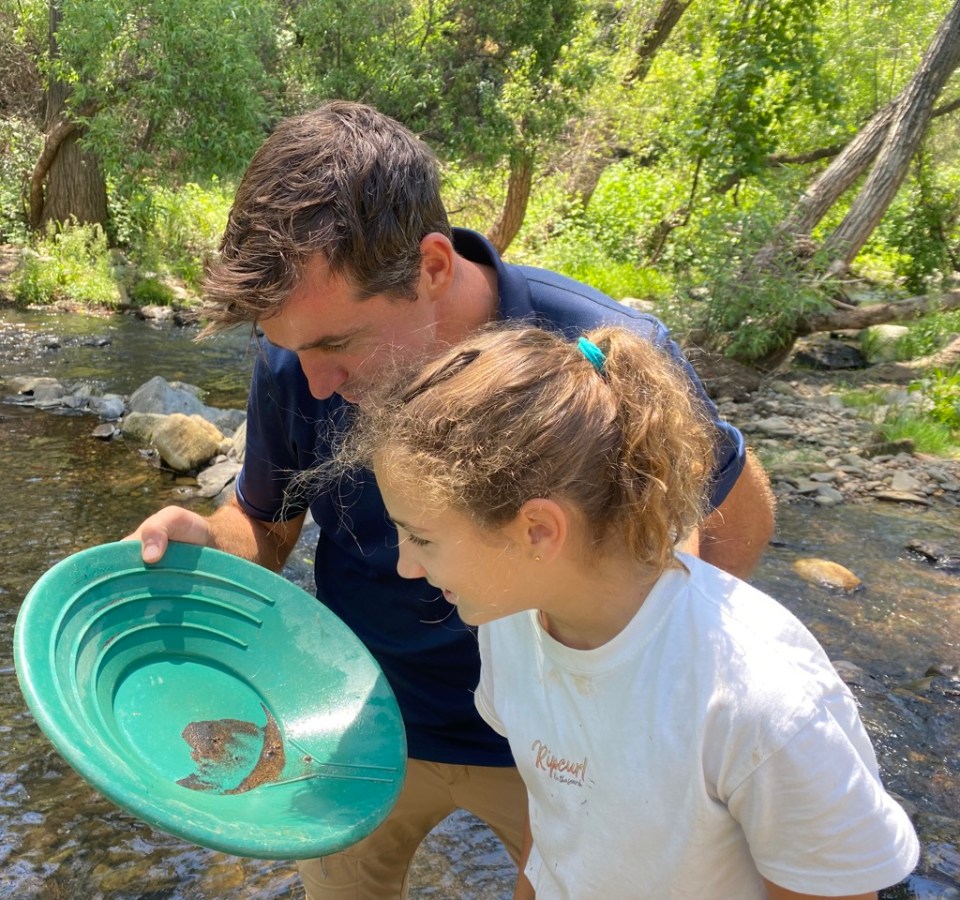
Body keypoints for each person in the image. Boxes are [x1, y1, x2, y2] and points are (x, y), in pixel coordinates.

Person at [126, 100, 776, 898]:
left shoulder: (594, 351)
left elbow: (736, 511)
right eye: (291, 348)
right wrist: (210, 538)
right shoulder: (295, 361)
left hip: (553, 752)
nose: (315, 379)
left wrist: (655, 683)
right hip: (355, 718)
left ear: (432, 266)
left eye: (338, 344)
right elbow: (265, 523)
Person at [333, 323, 919, 899]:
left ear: (538, 530)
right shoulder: (513, 624)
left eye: (423, 538)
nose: (405, 565)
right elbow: (556, 817)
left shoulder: (759, 703)